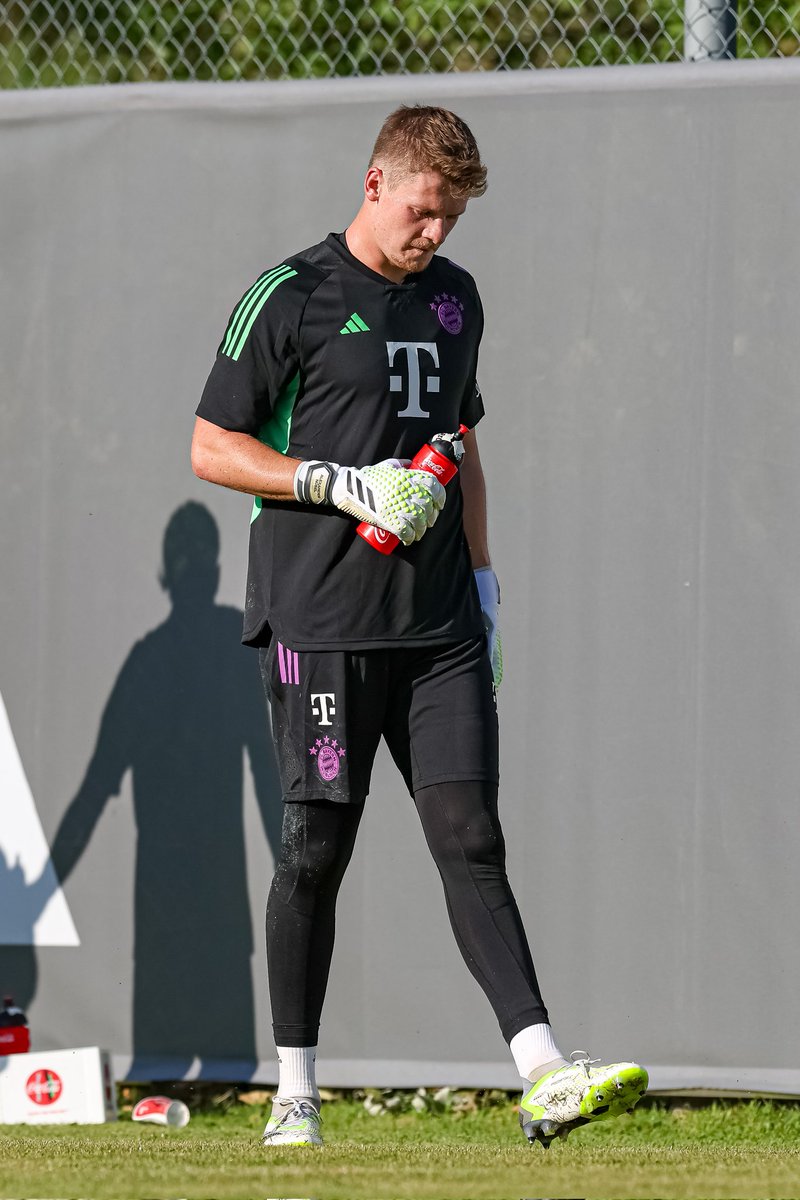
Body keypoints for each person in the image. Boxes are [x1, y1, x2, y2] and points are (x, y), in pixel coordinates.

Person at [191, 104, 647, 1149]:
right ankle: (295, 1088)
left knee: (470, 836)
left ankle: (539, 1070)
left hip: (437, 624)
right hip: (320, 618)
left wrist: (483, 588)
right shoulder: (289, 296)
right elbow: (211, 448)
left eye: (447, 218)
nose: (432, 234)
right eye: (422, 212)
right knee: (314, 852)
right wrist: (335, 481)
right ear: (374, 184)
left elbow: (461, 445)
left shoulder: (455, 300)